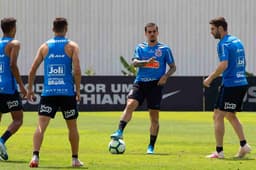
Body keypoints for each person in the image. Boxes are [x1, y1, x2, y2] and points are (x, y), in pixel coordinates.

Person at [110, 22, 176, 154]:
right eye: (149, 32)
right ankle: (119, 131)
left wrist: (166, 76)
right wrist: (145, 62)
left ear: (157, 32)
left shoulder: (164, 49)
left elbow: (173, 66)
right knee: (130, 104)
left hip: (155, 85)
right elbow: (134, 63)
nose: (152, 34)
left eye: (154, 31)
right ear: (146, 33)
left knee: (154, 117)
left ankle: (151, 146)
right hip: (140, 82)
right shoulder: (140, 47)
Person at [27, 18, 83, 167]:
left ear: (53, 29)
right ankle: (75, 159)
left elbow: (32, 69)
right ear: (66, 28)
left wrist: (30, 89)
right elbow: (77, 70)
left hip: (49, 93)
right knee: (72, 127)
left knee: (41, 126)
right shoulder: (72, 46)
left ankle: (35, 157)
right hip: (66, 93)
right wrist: (77, 90)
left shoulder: (44, 47)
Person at [204, 16, 251, 159]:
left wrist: (210, 78)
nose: (211, 32)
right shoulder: (237, 41)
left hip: (231, 84)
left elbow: (223, 64)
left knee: (218, 115)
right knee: (230, 115)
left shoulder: (223, 44)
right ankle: (244, 146)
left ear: (220, 28)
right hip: (241, 82)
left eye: (213, 29)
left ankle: (219, 151)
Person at [0, 17, 27, 161]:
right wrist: (22, 86)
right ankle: (2, 141)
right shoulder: (14, 43)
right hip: (8, 88)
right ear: (12, 28)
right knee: (18, 119)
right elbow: (12, 65)